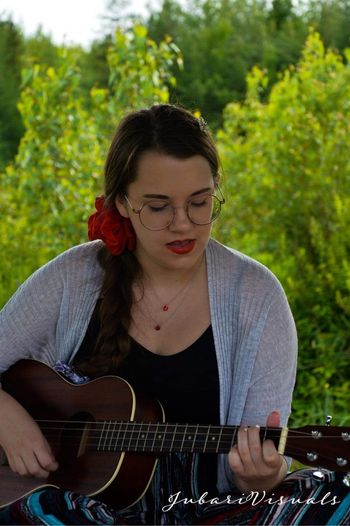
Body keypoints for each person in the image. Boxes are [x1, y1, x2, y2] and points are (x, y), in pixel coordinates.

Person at [0, 104, 349, 525]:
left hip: (210, 512)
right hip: (82, 512)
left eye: (200, 203)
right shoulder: (74, 277)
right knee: (43, 510)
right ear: (123, 203)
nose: (183, 224)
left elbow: (262, 473)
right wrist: (9, 418)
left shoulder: (257, 297)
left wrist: (262, 475)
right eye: (158, 206)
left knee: (335, 498)